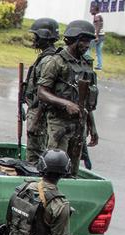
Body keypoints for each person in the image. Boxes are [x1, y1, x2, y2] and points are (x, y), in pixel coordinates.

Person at [37, 19, 99, 178]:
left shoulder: (86, 64)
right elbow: (42, 92)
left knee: (72, 171)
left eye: (89, 42)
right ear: (74, 40)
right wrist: (65, 104)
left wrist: (92, 127)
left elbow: (86, 100)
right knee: (55, 168)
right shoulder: (56, 62)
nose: (87, 45)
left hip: (79, 125)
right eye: (84, 41)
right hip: (59, 124)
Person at [23, 18, 61, 164]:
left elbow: (45, 93)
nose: (34, 40)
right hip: (37, 111)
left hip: (39, 113)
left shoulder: (48, 60)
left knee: (35, 155)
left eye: (36, 36)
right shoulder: (47, 57)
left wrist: (36, 121)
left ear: (44, 37)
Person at [90, 2, 104, 71]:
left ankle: (87, 64)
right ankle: (99, 66)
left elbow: (98, 27)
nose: (91, 11)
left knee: (87, 48)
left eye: (92, 9)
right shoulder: (99, 15)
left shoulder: (97, 16)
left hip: (97, 36)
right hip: (102, 36)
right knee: (98, 52)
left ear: (96, 10)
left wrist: (96, 36)